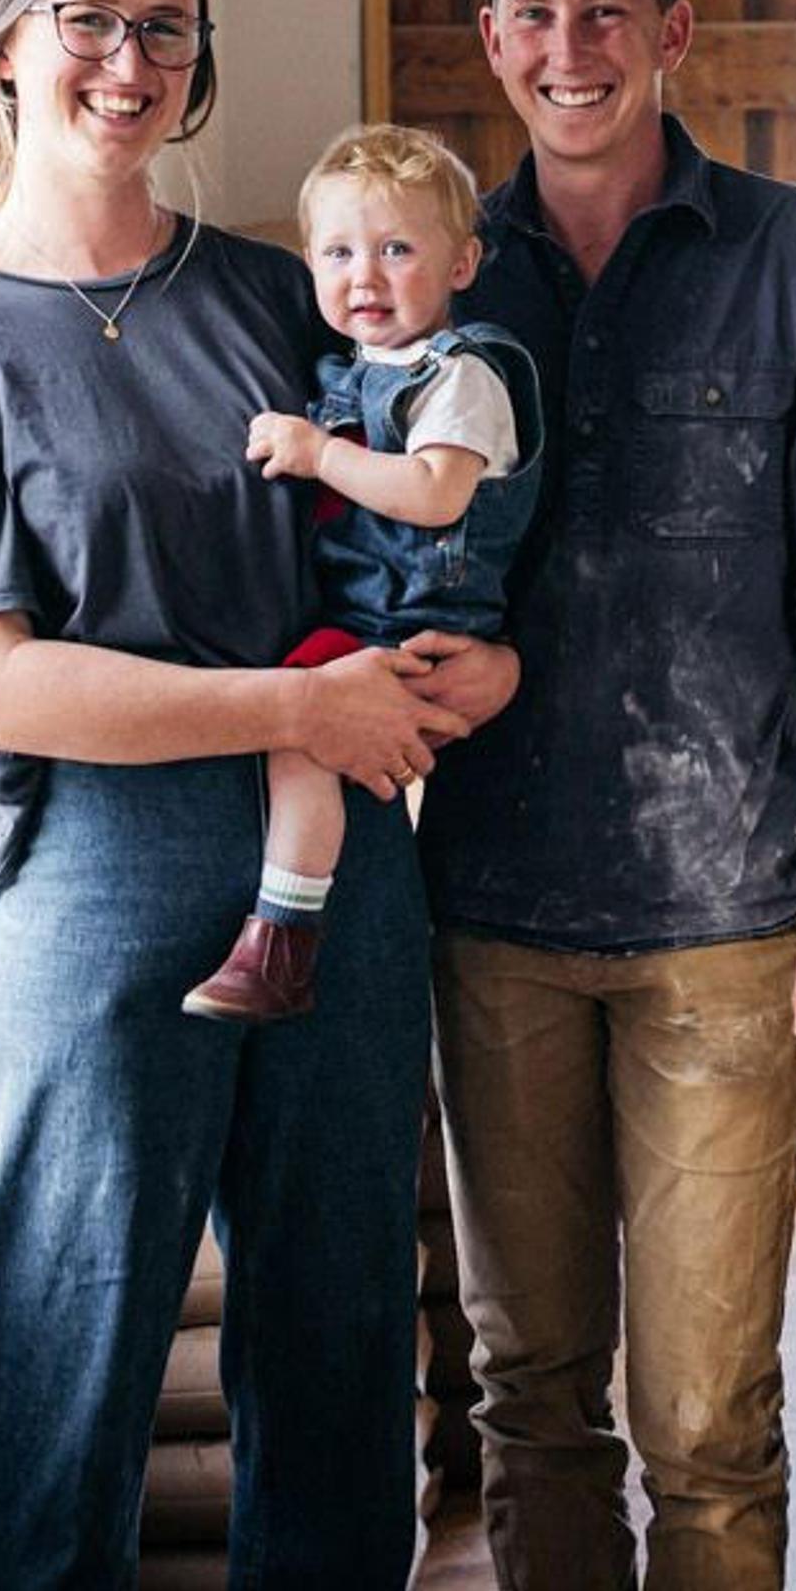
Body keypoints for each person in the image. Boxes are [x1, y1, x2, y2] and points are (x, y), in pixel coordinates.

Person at [0, 0, 509, 1590]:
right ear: (5, 52)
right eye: (91, 21)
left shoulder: (283, 298)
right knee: (69, 1325)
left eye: (166, 29)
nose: (130, 61)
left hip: (341, 857)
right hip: (98, 878)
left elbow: (424, 522)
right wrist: (300, 706)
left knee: (342, 1323)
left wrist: (470, 668)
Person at [423, 0, 796, 1591]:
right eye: (538, 18)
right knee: (531, 1400)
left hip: (733, 921)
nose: (573, 51)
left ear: (676, 35)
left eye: (607, 12)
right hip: (491, 917)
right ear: (494, 43)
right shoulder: (434, 283)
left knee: (707, 1422)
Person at [194, 123, 543, 1022]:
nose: (366, 277)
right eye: (340, 252)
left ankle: (282, 938)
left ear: (462, 264)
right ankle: (285, 933)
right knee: (295, 739)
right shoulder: (354, 370)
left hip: (417, 613)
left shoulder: (462, 375)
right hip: (370, 606)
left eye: (397, 249)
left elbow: (433, 494)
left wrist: (316, 453)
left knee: (298, 737)